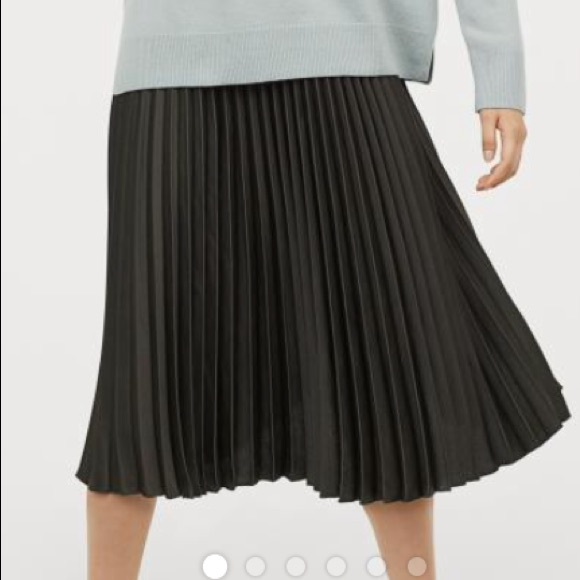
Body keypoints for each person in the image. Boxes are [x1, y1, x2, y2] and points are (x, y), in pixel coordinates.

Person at [75, 1, 571, 579]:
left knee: (385, 377)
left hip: (348, 50)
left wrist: (499, 70)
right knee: (143, 386)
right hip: (172, 59)